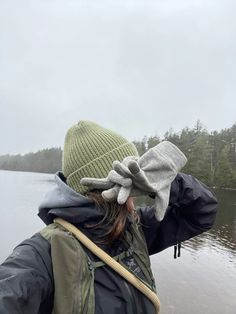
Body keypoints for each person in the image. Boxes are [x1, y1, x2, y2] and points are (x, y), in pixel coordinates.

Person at [0, 120, 218, 314]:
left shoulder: (133, 229)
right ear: (113, 184)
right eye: (135, 173)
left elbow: (203, 212)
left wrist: (164, 183)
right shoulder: (43, 253)